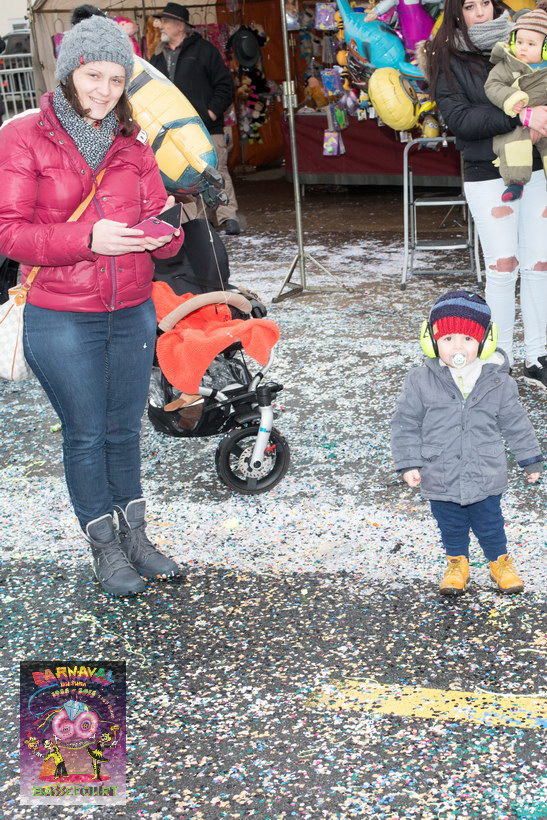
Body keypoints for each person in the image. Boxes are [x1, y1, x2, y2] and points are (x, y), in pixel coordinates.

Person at [0, 15, 185, 597]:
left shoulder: (134, 143)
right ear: (69, 73)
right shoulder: (23, 135)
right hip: (60, 314)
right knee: (85, 433)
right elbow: (10, 233)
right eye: (93, 75)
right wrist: (88, 238)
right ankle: (104, 546)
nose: (105, 90)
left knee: (123, 430)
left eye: (116, 79)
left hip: (131, 308)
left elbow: (162, 220)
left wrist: (167, 233)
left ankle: (136, 538)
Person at [423, 0, 547, 388]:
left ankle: (538, 356)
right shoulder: (446, 55)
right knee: (503, 268)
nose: (480, 12)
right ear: (456, 11)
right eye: (469, 5)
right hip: (486, 172)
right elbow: (460, 119)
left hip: (535, 167)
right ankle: (497, 358)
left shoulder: (525, 40)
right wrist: (521, 115)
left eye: (485, 3)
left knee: (539, 266)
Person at [391, 291, 542, 596]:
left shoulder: (499, 382)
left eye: (468, 339)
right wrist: (408, 463)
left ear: (484, 342)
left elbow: (516, 423)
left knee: (490, 523)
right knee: (451, 524)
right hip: (439, 471)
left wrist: (530, 459)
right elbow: (405, 423)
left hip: (485, 470)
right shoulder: (419, 380)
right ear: (431, 341)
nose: (457, 347)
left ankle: (500, 562)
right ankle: (457, 564)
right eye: (448, 339)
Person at [150, 2, 242, 235]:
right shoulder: (157, 57)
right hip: (174, 132)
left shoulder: (204, 50)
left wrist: (210, 112)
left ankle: (228, 217)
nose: (161, 26)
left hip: (206, 127)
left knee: (216, 171)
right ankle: (199, 223)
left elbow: (225, 85)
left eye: (166, 21)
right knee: (185, 177)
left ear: (180, 26)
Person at [484, 3, 547, 202]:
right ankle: (515, 182)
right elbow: (492, 85)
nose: (523, 48)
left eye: (531, 44)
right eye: (519, 41)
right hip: (518, 116)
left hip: (544, 117)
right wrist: (512, 98)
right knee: (513, 142)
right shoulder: (507, 64)